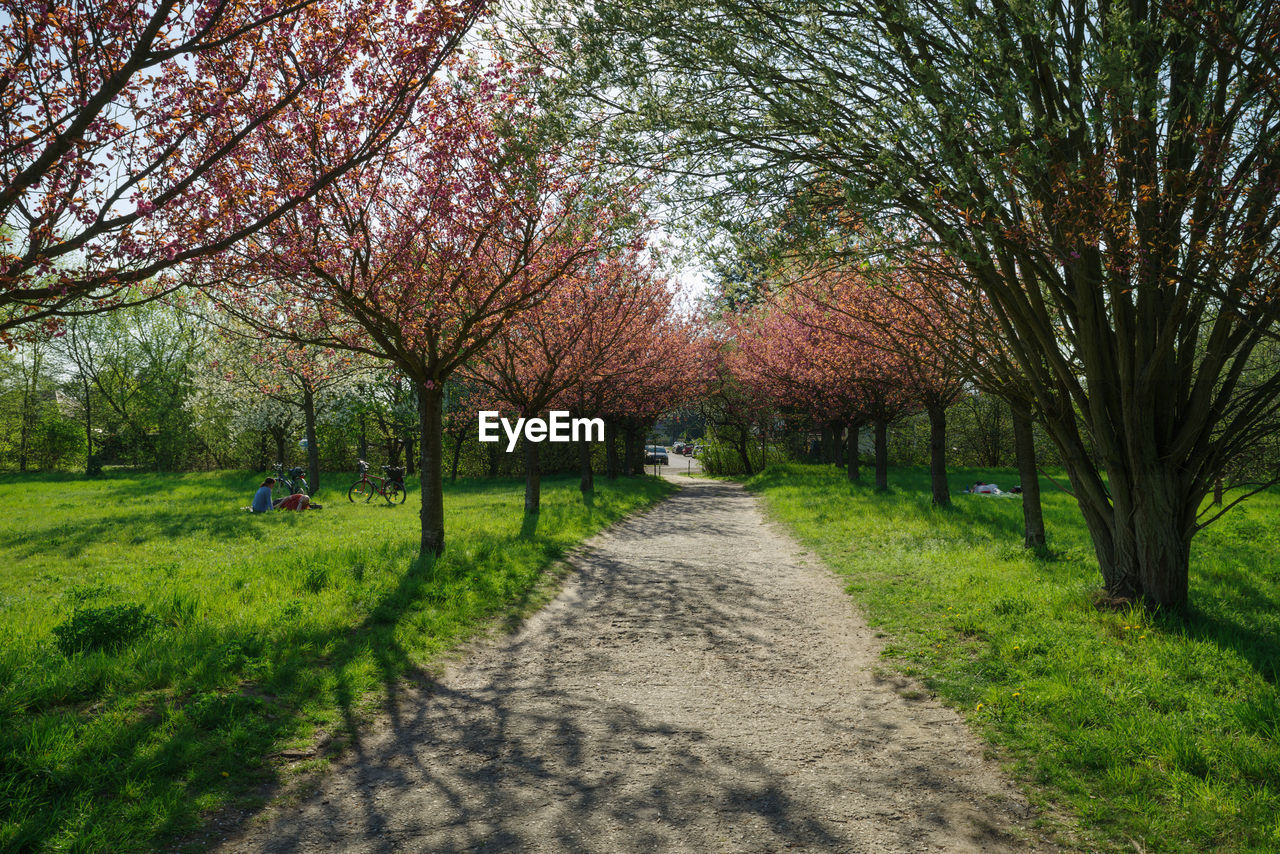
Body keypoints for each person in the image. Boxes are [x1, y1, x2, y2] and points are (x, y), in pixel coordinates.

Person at [251, 477, 321, 512]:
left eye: (304, 500)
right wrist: (274, 509)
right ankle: (250, 508)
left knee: (272, 505)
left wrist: (300, 503)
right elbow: (269, 501)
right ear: (270, 484)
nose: (273, 486)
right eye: (273, 484)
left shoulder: (262, 488)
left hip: (256, 507)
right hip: (279, 503)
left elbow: (297, 511)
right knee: (274, 504)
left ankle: (251, 508)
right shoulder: (267, 489)